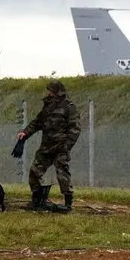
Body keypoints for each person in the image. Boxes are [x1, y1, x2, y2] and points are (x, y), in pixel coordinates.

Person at [16, 78, 81, 211]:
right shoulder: (48, 106)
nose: (48, 93)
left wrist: (66, 146)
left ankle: (68, 203)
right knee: (35, 171)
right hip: (46, 147)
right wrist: (25, 133)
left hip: (60, 147)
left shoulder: (69, 107)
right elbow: (37, 122)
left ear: (57, 92)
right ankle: (37, 200)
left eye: (50, 91)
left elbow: (75, 130)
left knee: (62, 172)